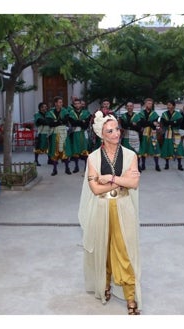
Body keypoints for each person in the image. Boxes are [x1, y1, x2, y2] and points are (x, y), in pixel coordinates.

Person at [78, 110, 141, 315]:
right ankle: (104, 285)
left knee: (124, 251)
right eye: (109, 131)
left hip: (123, 209)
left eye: (116, 129)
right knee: (102, 249)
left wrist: (110, 178)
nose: (116, 133)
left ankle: (131, 296)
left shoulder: (130, 155)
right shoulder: (93, 158)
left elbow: (134, 183)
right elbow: (95, 189)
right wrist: (121, 181)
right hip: (101, 208)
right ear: (101, 135)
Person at [46, 96, 72, 176]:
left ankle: (67, 168)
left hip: (63, 132)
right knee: (55, 151)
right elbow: (50, 123)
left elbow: (66, 120)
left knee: (65, 150)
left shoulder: (65, 111)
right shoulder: (50, 112)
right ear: (56, 103)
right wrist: (59, 121)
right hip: (55, 134)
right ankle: (54, 169)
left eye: (61, 102)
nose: (61, 104)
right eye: (60, 102)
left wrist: (56, 121)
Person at [137, 98, 161, 171]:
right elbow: (141, 123)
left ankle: (157, 165)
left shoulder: (155, 114)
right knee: (143, 148)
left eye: (150, 103)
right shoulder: (140, 113)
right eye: (148, 103)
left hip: (152, 134)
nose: (149, 105)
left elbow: (155, 124)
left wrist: (149, 123)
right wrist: (151, 123)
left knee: (155, 148)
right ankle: (143, 165)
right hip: (143, 134)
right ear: (145, 104)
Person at [68, 98, 91, 173]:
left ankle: (86, 167)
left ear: (81, 104)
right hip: (75, 133)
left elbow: (86, 124)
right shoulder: (71, 113)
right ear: (74, 105)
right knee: (75, 150)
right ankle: (76, 166)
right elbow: (72, 123)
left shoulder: (86, 112)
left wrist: (79, 122)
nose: (77, 105)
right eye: (75, 104)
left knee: (85, 150)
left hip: (83, 133)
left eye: (78, 103)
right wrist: (82, 121)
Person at [160, 101, 184, 170]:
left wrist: (169, 123)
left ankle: (179, 165)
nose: (168, 106)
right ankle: (167, 164)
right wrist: (173, 122)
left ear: (174, 106)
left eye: (170, 105)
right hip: (167, 133)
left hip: (176, 133)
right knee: (167, 147)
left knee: (178, 148)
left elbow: (178, 123)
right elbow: (163, 123)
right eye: (167, 105)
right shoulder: (164, 114)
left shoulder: (178, 114)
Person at [120, 102, 142, 170]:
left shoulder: (137, 116)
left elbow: (139, 127)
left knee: (135, 152)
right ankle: (126, 167)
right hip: (126, 136)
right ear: (126, 107)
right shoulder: (123, 116)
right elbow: (124, 125)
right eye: (128, 106)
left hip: (135, 135)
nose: (129, 107)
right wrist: (133, 124)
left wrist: (129, 125)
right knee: (126, 152)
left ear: (133, 107)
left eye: (131, 106)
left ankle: (137, 166)